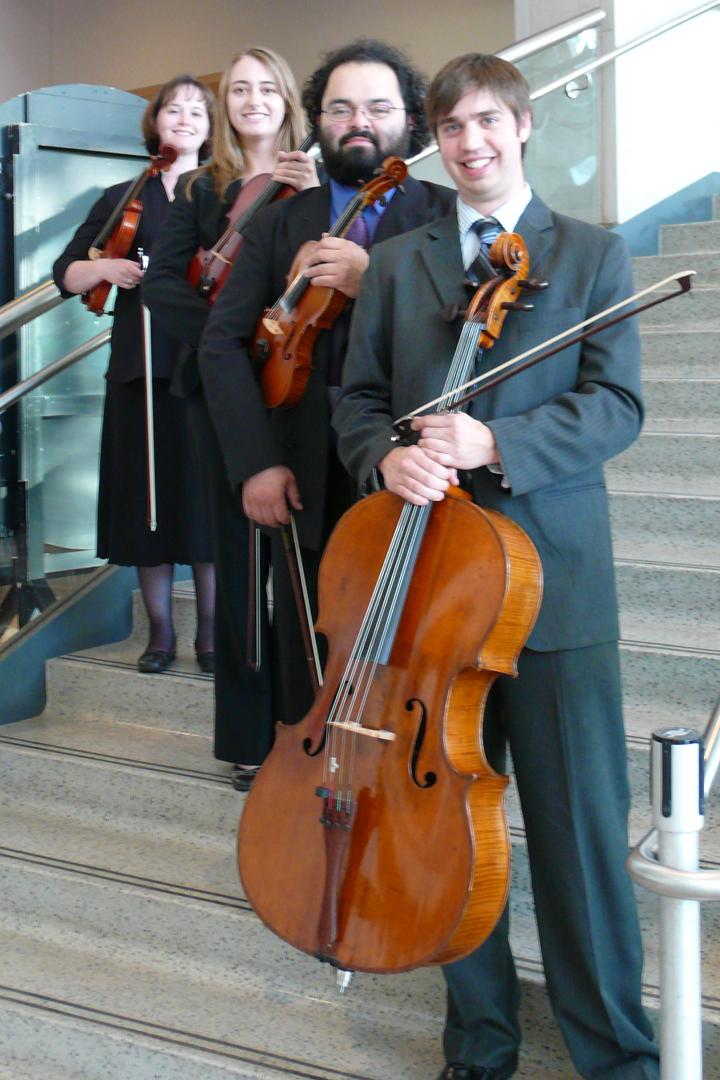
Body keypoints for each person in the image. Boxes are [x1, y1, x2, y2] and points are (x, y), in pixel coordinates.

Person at [334, 53, 659, 1080]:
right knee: (450, 839)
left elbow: (616, 405)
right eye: (451, 128)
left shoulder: (595, 254)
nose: (470, 143)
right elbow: (354, 404)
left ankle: (613, 1055)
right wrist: (384, 455)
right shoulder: (398, 264)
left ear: (522, 127)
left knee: (578, 843)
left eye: (487, 122)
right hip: (430, 590)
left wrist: (494, 442)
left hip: (551, 590)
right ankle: (479, 1049)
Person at [197, 39, 454, 786]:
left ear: (410, 120)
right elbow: (222, 345)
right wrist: (255, 462)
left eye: (378, 107)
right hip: (302, 465)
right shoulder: (284, 217)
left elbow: (466, 333)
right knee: (306, 628)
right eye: (339, 108)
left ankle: (396, 781)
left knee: (409, 627)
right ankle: (304, 779)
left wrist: (375, 278)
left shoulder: (444, 214)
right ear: (317, 122)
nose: (358, 123)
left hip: (408, 464)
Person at [142, 48, 318, 787]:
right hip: (220, 390)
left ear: (287, 98)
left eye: (265, 87)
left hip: (300, 384)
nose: (252, 100)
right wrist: (232, 333)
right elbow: (159, 286)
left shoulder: (314, 180)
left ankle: (310, 722)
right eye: (237, 89)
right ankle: (249, 737)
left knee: (308, 566)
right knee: (243, 573)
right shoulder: (202, 190)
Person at [53, 75, 216, 676]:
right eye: (174, 108)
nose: (185, 117)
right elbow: (65, 270)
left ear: (209, 126)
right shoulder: (124, 197)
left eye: (197, 110)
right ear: (156, 121)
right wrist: (110, 267)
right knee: (148, 509)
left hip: (200, 367)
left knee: (202, 506)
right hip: (138, 368)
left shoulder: (222, 194)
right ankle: (160, 634)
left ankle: (210, 637)